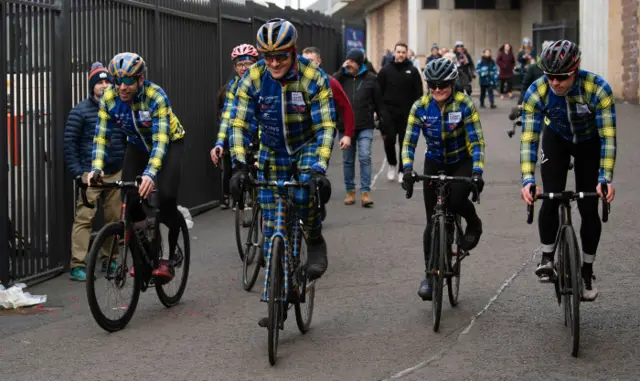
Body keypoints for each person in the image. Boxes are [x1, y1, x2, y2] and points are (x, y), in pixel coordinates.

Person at [227, 19, 335, 308]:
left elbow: (325, 126)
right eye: (268, 57)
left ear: (293, 51)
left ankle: (314, 238)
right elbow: (239, 123)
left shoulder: (314, 78)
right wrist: (238, 164)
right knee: (273, 222)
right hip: (271, 150)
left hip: (306, 146)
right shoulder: (252, 78)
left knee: (303, 196)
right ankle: (280, 297)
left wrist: (319, 170)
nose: (274, 63)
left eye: (281, 56)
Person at [520, 40, 617, 301]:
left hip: (589, 143)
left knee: (589, 206)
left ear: (575, 70)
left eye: (562, 77)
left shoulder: (597, 88)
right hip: (557, 138)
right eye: (550, 76)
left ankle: (586, 271)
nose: (555, 83)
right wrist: (527, 179)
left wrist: (604, 178)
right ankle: (548, 255)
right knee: (550, 197)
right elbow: (529, 137)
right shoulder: (537, 91)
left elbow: (608, 137)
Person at [90, 52, 186, 283]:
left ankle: (170, 256)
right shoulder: (109, 99)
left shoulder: (156, 96)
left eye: (129, 81)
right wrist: (96, 168)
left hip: (169, 143)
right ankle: (148, 246)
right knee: (129, 198)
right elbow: (101, 136)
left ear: (141, 79)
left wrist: (151, 175)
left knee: (165, 195)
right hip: (137, 145)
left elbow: (161, 140)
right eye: (117, 81)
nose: (122, 87)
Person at [401, 58, 485, 300]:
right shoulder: (420, 106)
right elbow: (409, 141)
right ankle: (430, 273)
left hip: (461, 160)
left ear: (452, 83)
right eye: (433, 85)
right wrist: (407, 168)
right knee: (431, 221)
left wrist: (477, 172)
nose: (438, 90)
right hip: (434, 161)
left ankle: (474, 222)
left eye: (443, 86)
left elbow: (477, 141)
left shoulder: (464, 103)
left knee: (456, 199)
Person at [64, 62, 126, 281]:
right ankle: (77, 265)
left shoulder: (119, 108)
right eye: (99, 82)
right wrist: (78, 173)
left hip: (115, 172)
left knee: (113, 219)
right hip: (90, 175)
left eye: (107, 81)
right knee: (84, 218)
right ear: (92, 86)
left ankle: (109, 261)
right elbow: (70, 144)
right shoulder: (79, 111)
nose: (104, 85)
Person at [333, 48, 390, 207]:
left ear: (359, 63)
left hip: (365, 125)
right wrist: (341, 70)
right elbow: (330, 85)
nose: (349, 65)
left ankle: (365, 193)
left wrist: (384, 123)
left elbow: (379, 103)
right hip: (345, 127)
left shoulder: (371, 78)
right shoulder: (341, 78)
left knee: (365, 156)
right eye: (347, 61)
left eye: (352, 62)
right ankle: (350, 192)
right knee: (348, 160)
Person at [210, 44, 259, 209]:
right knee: (238, 164)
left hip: (261, 129)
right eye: (240, 64)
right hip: (241, 131)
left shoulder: (263, 81)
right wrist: (219, 143)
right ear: (235, 66)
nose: (244, 68)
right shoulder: (232, 86)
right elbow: (227, 117)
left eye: (248, 63)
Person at [377, 42, 424, 183]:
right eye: (398, 52)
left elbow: (418, 93)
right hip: (388, 114)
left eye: (403, 52)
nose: (401, 54)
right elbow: (378, 93)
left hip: (407, 114)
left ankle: (402, 170)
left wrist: (418, 111)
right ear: (394, 53)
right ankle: (392, 164)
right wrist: (379, 111)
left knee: (405, 143)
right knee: (389, 141)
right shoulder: (385, 70)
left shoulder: (413, 71)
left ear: (407, 53)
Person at [301, 46, 354, 151]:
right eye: (303, 61)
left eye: (310, 61)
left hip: (322, 135)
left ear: (318, 61)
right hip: (300, 134)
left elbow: (346, 107)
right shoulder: (295, 82)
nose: (306, 64)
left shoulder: (330, 82)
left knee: (315, 165)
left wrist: (348, 135)